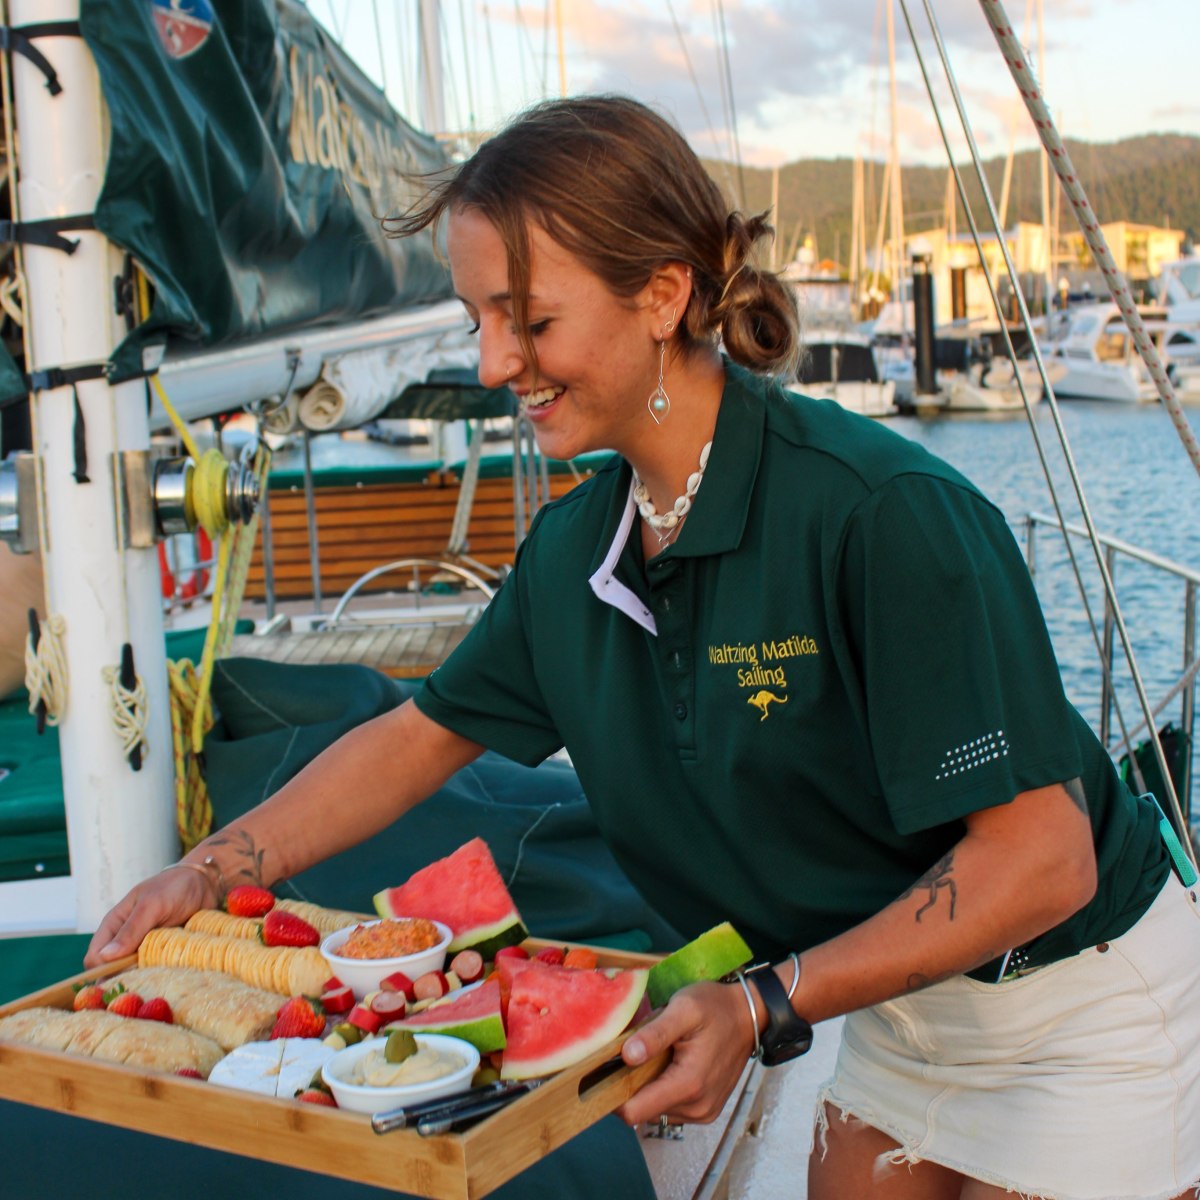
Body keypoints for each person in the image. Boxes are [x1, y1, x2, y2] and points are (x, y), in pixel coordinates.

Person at [87, 96, 1200, 1200]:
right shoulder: (576, 552)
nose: (489, 363)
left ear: (662, 295)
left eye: (526, 319)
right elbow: (418, 740)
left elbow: (1044, 860)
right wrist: (209, 869)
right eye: (477, 318)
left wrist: (764, 1002)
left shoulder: (881, 514)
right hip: (894, 1003)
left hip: (1079, 998)